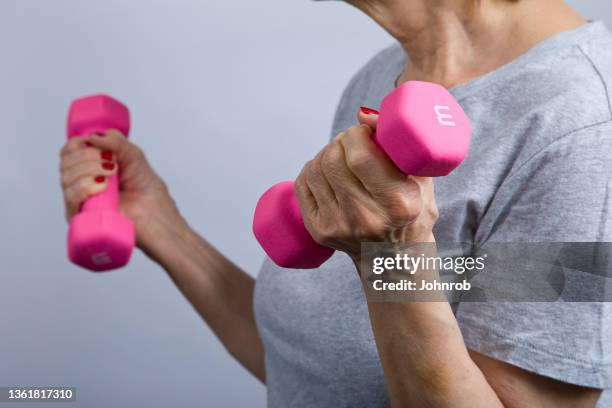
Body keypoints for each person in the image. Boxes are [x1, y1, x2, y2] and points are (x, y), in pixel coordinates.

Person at [59, 0, 612, 406]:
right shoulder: (385, 76)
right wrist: (162, 227)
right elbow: (316, 368)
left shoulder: (584, 125)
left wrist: (392, 255)